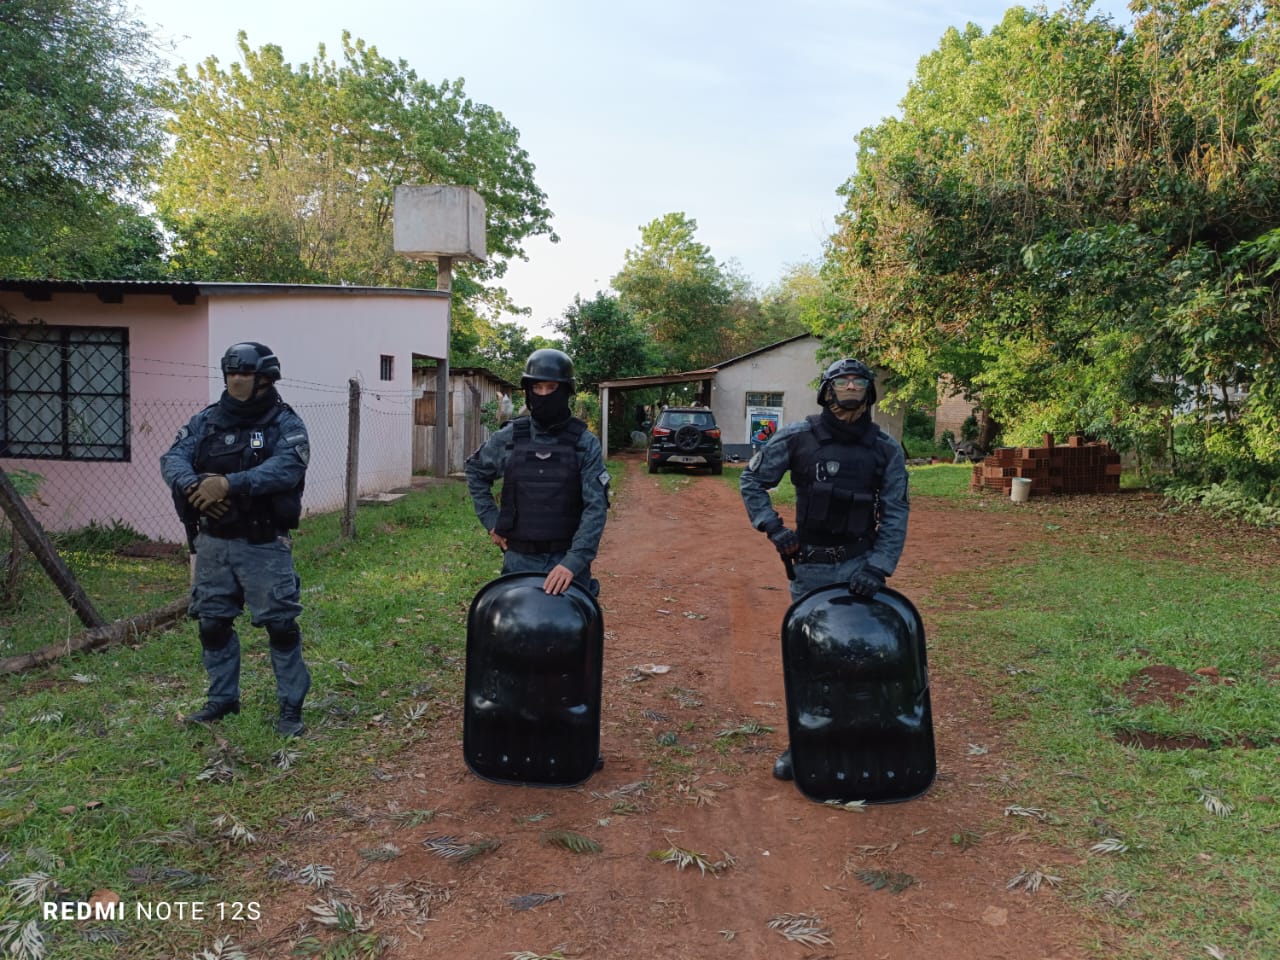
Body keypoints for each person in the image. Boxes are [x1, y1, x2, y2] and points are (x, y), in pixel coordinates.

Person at [739, 357, 910, 780]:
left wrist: (879, 567)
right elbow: (752, 481)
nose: (851, 387)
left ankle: (864, 738)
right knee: (813, 659)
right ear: (827, 390)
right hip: (811, 569)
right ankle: (805, 743)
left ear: (869, 391)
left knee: (865, 657)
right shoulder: (798, 437)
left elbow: (895, 511)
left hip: (860, 566)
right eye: (843, 381)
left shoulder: (885, 448)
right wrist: (774, 528)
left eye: (858, 381)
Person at [160, 342, 312, 737]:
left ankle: (291, 706)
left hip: (263, 544)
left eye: (245, 374)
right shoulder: (208, 420)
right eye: (231, 374)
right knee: (212, 624)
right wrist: (193, 485)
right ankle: (222, 699)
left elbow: (287, 468)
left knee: (280, 625)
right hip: (213, 543)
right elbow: (173, 457)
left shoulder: (285, 423)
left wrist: (228, 484)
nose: (236, 381)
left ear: (265, 378)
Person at [465, 348, 609, 596]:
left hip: (567, 565)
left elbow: (595, 508)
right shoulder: (510, 436)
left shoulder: (584, 443)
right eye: (537, 388)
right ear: (528, 391)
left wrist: (572, 563)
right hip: (519, 562)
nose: (543, 395)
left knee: (573, 630)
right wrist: (491, 522)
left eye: (551, 388)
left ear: (565, 391)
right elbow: (475, 470)